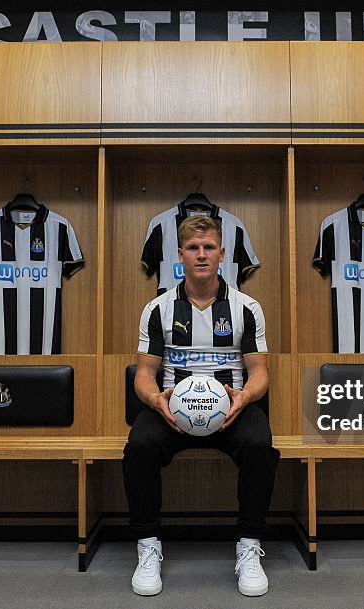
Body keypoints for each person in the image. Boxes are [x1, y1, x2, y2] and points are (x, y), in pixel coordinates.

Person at [124, 215, 280, 597]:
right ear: (180, 255)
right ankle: (148, 544)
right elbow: (144, 375)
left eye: (209, 247)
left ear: (222, 254)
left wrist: (245, 396)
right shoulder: (157, 309)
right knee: (138, 446)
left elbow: (259, 373)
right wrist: (153, 399)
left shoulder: (247, 308)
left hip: (231, 412)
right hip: (171, 413)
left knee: (261, 445)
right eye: (193, 248)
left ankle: (248, 545)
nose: (201, 255)